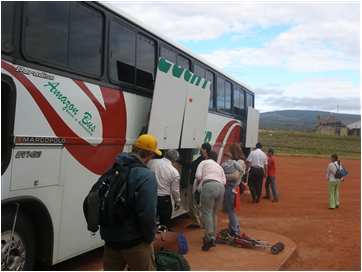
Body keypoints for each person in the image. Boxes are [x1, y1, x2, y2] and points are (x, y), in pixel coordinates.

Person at [101, 134, 161, 271]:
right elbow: (147, 213)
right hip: (134, 242)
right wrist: (150, 236)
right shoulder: (146, 176)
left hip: (110, 240)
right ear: (149, 154)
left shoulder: (114, 168)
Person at [195, 150, 226, 251]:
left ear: (207, 156)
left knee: (207, 212)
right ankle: (211, 236)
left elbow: (198, 176)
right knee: (214, 214)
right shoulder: (219, 166)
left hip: (209, 185)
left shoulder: (203, 162)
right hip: (221, 187)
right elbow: (224, 181)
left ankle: (210, 237)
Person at [148, 149, 181, 229]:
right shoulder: (174, 172)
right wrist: (177, 202)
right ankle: (162, 236)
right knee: (164, 223)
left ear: (165, 154)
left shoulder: (151, 162)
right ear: (175, 160)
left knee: (149, 221)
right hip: (164, 200)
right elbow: (175, 190)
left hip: (149, 196)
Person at [187, 142, 212, 229]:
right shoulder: (205, 159)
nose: (200, 150)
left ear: (204, 149)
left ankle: (199, 222)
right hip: (201, 184)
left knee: (195, 203)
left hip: (198, 183)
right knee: (198, 203)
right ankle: (200, 221)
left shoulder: (203, 160)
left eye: (201, 148)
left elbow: (193, 167)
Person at [222, 151, 244, 237]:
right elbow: (242, 171)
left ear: (226, 157)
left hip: (228, 189)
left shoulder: (223, 165)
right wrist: (237, 182)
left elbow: (222, 176)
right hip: (234, 189)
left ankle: (235, 230)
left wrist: (228, 177)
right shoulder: (235, 163)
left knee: (230, 210)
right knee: (232, 210)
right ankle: (234, 227)